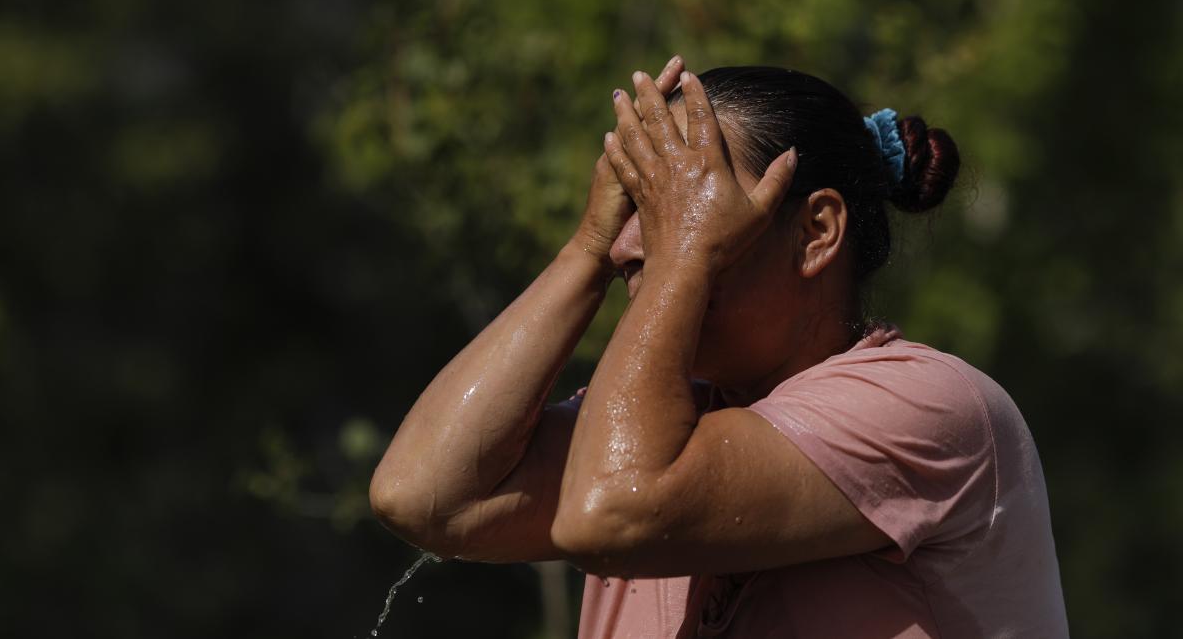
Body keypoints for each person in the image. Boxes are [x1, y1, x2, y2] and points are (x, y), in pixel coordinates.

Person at [369, 56, 1069, 638]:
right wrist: (585, 251)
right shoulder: (659, 422)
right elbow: (426, 495)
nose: (635, 242)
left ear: (816, 232)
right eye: (641, 200)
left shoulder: (933, 406)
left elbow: (613, 508)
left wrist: (682, 254)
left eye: (681, 193)